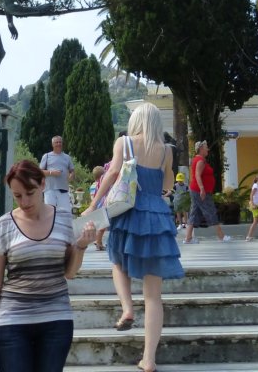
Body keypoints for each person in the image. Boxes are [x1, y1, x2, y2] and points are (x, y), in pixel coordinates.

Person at [0, 160, 96, 372]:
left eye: (30, 193)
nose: (24, 201)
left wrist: (82, 246)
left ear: (42, 184)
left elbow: (69, 273)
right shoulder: (5, 224)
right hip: (12, 320)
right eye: (17, 196)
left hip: (56, 319)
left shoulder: (63, 218)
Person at [88, 103, 184, 372]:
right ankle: (149, 359)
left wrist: (94, 204)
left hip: (129, 212)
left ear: (136, 121)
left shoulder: (125, 143)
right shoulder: (167, 151)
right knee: (153, 296)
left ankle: (127, 307)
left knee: (118, 262)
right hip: (157, 217)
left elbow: (111, 175)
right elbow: (167, 186)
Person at [184, 140, 232, 244]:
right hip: (200, 191)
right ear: (201, 149)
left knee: (194, 213)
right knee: (211, 211)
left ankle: (188, 238)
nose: (208, 149)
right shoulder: (200, 160)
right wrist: (202, 189)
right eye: (206, 147)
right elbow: (197, 175)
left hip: (196, 190)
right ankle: (221, 236)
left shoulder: (199, 159)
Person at [40, 135, 76, 211]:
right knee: (50, 212)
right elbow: (40, 172)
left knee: (66, 212)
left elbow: (72, 170)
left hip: (63, 189)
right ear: (52, 144)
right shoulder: (46, 156)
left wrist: (71, 175)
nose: (59, 144)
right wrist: (51, 173)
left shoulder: (67, 157)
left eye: (60, 142)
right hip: (50, 189)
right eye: (56, 142)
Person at [88, 166, 107, 250]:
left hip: (95, 207)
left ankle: (99, 242)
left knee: (100, 225)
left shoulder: (92, 185)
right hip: (100, 207)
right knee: (102, 226)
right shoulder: (101, 184)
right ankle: (98, 242)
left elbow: (92, 196)